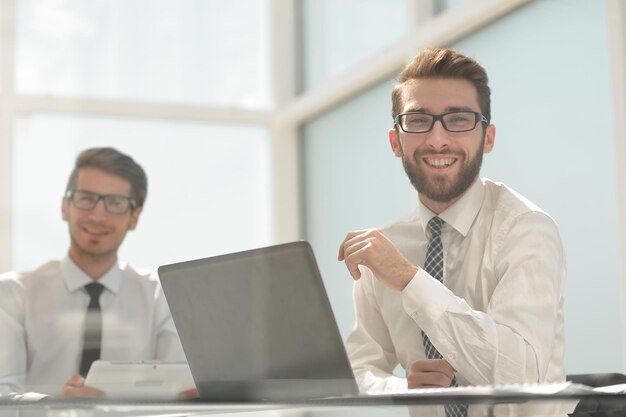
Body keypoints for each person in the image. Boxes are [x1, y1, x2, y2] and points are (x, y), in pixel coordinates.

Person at [338, 48, 565, 394]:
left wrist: (409, 279)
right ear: (395, 141)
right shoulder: (384, 251)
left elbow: (519, 374)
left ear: (487, 137)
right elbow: (360, 369)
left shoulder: (527, 229)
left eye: (458, 120)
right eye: (417, 121)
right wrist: (401, 389)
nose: (437, 139)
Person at [0, 147, 186, 399]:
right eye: (86, 198)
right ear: (65, 207)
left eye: (115, 203)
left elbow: (179, 392)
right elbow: (2, 390)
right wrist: (53, 407)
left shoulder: (161, 297)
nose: (97, 215)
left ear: (135, 217)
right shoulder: (12, 294)